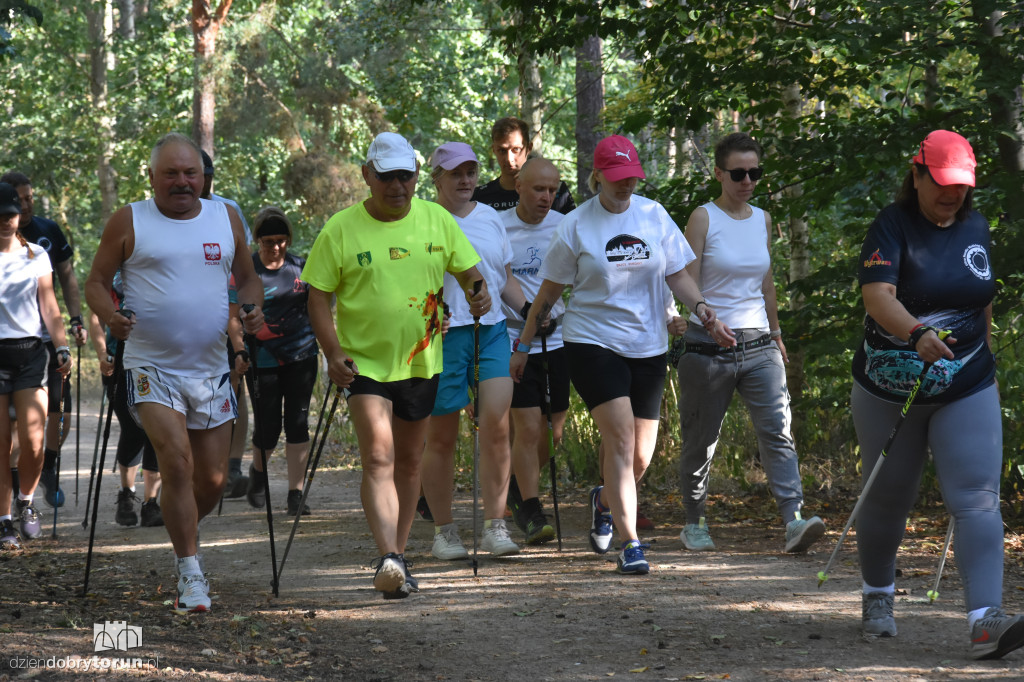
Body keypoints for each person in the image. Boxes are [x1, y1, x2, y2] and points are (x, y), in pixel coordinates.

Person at [510, 135, 725, 575]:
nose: (627, 185)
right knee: (622, 440)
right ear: (598, 177)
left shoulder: (653, 215)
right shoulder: (576, 225)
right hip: (591, 342)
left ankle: (604, 500)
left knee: (640, 456)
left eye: (632, 177)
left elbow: (678, 273)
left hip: (647, 346)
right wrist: (525, 345)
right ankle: (631, 544)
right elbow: (548, 293)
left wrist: (701, 309)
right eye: (618, 177)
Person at [851, 129, 1024, 659]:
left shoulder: (974, 224)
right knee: (889, 495)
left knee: (976, 498)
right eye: (944, 183)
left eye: (963, 186)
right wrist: (918, 333)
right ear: (918, 173)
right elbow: (877, 297)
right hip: (891, 383)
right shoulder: (892, 225)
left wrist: (986, 357)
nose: (954, 194)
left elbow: (982, 297)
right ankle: (878, 595)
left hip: (967, 382)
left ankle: (984, 621)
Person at [303, 132, 489, 599]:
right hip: (362, 364)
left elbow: (468, 270)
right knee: (380, 457)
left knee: (408, 463)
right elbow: (318, 297)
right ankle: (388, 554)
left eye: (405, 176)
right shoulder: (341, 229)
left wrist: (478, 290)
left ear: (416, 176)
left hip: (423, 361)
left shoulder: (436, 219)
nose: (396, 185)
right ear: (367, 175)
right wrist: (331, 352)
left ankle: (398, 558)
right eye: (386, 176)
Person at [86, 133, 264, 613]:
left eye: (191, 173)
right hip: (150, 365)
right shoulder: (130, 220)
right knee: (177, 464)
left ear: (203, 177)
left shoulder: (225, 217)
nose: (182, 182)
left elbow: (248, 278)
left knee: (209, 481)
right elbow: (96, 282)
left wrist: (250, 308)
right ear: (152, 177)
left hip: (211, 369)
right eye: (171, 173)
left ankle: (181, 525)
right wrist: (111, 315)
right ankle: (191, 574)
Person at [676, 132, 825, 555]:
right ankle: (695, 522)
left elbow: (767, 284)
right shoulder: (703, 217)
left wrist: (777, 336)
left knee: (778, 430)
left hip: (759, 343)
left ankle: (794, 521)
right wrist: (706, 317)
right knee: (701, 439)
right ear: (719, 173)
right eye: (738, 173)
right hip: (708, 345)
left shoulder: (762, 219)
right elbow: (685, 279)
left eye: (754, 172)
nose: (747, 181)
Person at [420, 142, 528, 561]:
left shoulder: (491, 218)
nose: (465, 180)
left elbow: (505, 279)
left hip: (493, 330)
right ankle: (445, 532)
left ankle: (495, 526)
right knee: (442, 438)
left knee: (497, 425)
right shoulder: (423, 220)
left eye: (470, 172)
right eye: (455, 174)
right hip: (443, 337)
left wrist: (531, 312)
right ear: (437, 180)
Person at [0, 171, 87, 510]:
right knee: (4, 442)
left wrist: (65, 340)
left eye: (12, 214)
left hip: (33, 351)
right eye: (2, 215)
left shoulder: (38, 251)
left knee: (36, 437)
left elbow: (51, 301)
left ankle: (29, 493)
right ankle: (5, 518)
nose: (7, 221)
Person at [498, 157, 568, 545]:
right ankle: (531, 508)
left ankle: (512, 482)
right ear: (519, 187)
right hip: (512, 340)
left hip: (557, 340)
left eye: (553, 190)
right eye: (539, 189)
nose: (546, 197)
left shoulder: (564, 226)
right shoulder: (499, 225)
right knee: (526, 427)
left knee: (552, 433)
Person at [241, 206, 319, 517]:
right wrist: (238, 348)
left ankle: (295, 494)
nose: (275, 247)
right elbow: (233, 312)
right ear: (258, 240)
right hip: (262, 358)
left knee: (298, 423)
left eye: (282, 240)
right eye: (268, 240)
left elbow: (319, 307)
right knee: (268, 426)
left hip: (302, 354)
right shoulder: (249, 271)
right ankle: (258, 476)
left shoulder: (302, 267)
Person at [200, 150, 251, 498]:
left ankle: (232, 466)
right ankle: (203, 465)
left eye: (205, 173)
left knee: (236, 384)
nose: (198, 181)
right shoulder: (159, 212)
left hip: (228, 312)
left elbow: (243, 263)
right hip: (186, 320)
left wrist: (245, 309)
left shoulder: (226, 209)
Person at [88, 292, 163, 528]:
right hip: (118, 363)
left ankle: (152, 502)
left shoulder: (155, 273)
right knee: (133, 429)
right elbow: (95, 319)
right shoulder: (111, 278)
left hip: (156, 363)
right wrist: (102, 353)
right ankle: (127, 494)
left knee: (157, 429)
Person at [473, 117, 576, 214]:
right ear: (494, 150)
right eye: (502, 151)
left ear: (529, 148)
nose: (509, 158)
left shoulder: (556, 191)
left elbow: (572, 229)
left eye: (516, 149)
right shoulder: (480, 197)